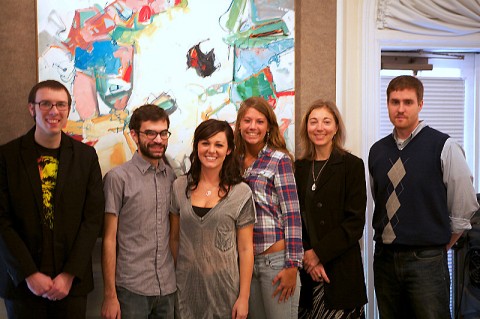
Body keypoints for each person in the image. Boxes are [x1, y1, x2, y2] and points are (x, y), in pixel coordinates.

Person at [369, 75, 480, 318]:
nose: (400, 109)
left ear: (420, 104)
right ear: (387, 104)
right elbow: (380, 200)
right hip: (385, 260)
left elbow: (465, 205)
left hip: (427, 261)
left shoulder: (444, 146)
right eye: (394, 101)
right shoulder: (377, 151)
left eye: (408, 102)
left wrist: (440, 243)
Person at [0, 80, 105, 318]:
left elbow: (92, 220)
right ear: (32, 109)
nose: (54, 111)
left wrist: (69, 275)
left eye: (61, 105)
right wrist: (29, 274)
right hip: (22, 284)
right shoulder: (6, 156)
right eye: (45, 104)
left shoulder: (86, 157)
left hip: (71, 285)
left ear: (68, 110)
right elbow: (2, 221)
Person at [169, 119, 255, 319]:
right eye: (205, 143)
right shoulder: (179, 186)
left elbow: (245, 249)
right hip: (186, 291)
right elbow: (174, 238)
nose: (211, 150)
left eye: (219, 145)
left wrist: (244, 297)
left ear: (229, 150)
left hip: (225, 292)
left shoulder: (241, 193)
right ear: (197, 146)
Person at [101, 104, 176, 319]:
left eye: (163, 133)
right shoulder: (118, 178)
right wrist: (110, 295)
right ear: (134, 135)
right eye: (150, 133)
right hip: (131, 290)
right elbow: (109, 239)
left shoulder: (172, 178)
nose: (158, 139)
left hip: (167, 288)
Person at [295, 100, 368, 319]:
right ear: (306, 128)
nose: (319, 128)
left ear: (336, 127)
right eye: (313, 122)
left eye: (326, 122)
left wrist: (318, 254)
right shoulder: (298, 167)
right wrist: (308, 258)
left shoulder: (352, 165)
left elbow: (355, 223)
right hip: (307, 276)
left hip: (342, 272)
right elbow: (293, 218)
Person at [234, 96, 303, 319]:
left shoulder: (279, 160)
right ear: (239, 125)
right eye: (247, 120)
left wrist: (292, 265)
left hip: (276, 262)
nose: (252, 126)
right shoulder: (233, 162)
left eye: (259, 121)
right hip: (244, 264)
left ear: (268, 127)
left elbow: (292, 215)